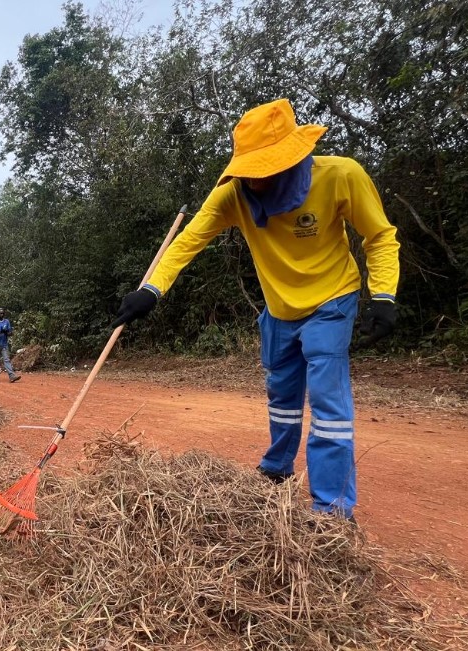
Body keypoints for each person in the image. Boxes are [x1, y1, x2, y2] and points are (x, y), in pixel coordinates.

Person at [112, 98, 399, 520]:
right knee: (281, 396)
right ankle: (277, 468)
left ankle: (332, 511)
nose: (256, 180)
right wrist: (152, 290)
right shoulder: (231, 195)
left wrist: (384, 296)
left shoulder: (340, 176)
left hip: (332, 299)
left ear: (293, 156)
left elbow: (379, 235)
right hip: (279, 309)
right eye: (250, 170)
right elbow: (188, 242)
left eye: (267, 168)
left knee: (328, 406)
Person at [0, 308, 21, 383]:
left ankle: (12, 376)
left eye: (3, 313)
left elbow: (10, 333)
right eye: (1, 313)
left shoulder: (7, 321)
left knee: (7, 359)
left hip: (4, 344)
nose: (2, 315)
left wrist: (6, 332)